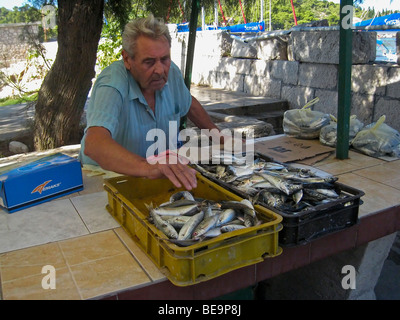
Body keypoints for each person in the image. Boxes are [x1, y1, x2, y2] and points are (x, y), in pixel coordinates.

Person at [79, 14, 224, 190]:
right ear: (127, 59)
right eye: (149, 62)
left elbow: (189, 104)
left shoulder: (172, 73)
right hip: (106, 177)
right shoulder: (112, 83)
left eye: (164, 59)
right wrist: (148, 168)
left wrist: (220, 139)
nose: (159, 70)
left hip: (158, 171)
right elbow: (94, 144)